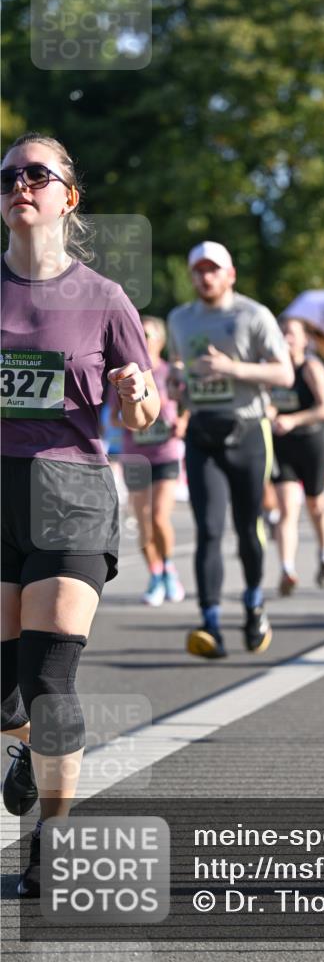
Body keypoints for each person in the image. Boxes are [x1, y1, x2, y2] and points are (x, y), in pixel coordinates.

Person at [1, 133, 159, 897]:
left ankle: (50, 843)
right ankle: (23, 748)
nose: (20, 185)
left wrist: (135, 398)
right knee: (5, 697)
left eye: (38, 174)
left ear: (68, 196)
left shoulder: (103, 298)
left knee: (49, 678)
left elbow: (149, 404)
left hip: (70, 496)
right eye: (9, 176)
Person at [167, 241, 293, 659]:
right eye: (199, 270)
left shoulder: (253, 315)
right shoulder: (180, 319)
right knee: (208, 530)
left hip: (248, 430)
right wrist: (177, 385)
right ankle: (211, 623)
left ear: (230, 274)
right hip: (202, 431)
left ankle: (255, 603)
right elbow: (178, 367)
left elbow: (285, 373)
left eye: (214, 270)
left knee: (247, 527)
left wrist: (232, 368)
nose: (206, 277)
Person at [110, 316, 188, 606]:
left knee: (158, 516)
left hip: (166, 453)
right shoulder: (124, 376)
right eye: (139, 333)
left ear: (161, 341)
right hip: (136, 455)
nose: (143, 338)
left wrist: (181, 422)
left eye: (149, 334)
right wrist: (135, 417)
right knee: (143, 522)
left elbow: (187, 406)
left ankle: (168, 568)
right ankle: (155, 575)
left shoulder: (170, 372)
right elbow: (113, 418)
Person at [270, 317, 324, 594]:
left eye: (291, 333)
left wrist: (293, 420)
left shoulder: (310, 367)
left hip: (311, 444)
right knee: (287, 509)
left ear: (304, 340)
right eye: (281, 332)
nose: (286, 337)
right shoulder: (271, 369)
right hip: (282, 446)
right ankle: (287, 569)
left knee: (315, 506)